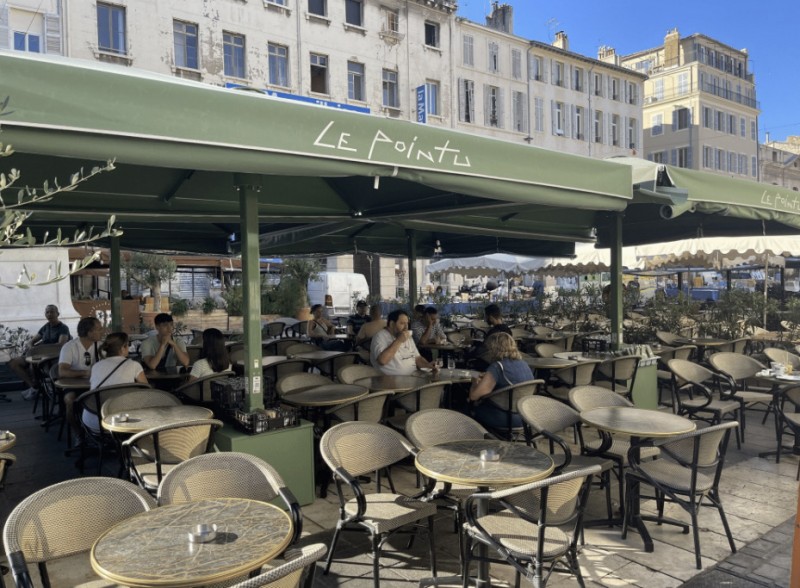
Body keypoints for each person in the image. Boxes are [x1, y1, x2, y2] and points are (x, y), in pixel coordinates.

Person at [468, 332, 534, 431]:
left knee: (466, 407)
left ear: (493, 348)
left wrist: (474, 383)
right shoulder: (524, 364)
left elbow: (474, 396)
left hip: (504, 417)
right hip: (525, 416)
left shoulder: (498, 367)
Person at [85, 332, 148, 432]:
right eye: (128, 345)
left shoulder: (96, 366)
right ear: (123, 348)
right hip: (122, 422)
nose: (129, 347)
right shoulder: (134, 365)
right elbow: (147, 391)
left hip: (95, 421)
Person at [10, 304, 71, 400]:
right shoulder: (45, 327)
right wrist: (32, 348)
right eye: (47, 312)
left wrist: (40, 347)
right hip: (38, 355)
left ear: (57, 314)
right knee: (14, 363)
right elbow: (31, 341)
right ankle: (35, 387)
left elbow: (61, 344)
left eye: (52, 312)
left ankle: (38, 389)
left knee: (32, 365)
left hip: (52, 358)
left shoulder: (63, 328)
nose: (49, 314)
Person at [59, 316, 105, 443]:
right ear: (89, 332)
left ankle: (103, 433)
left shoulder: (100, 346)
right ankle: (79, 434)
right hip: (73, 385)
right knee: (70, 401)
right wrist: (85, 373)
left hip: (95, 384)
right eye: (98, 329)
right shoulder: (70, 347)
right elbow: (62, 371)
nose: (102, 331)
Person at [370, 309, 438, 376]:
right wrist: (399, 340)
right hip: (390, 381)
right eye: (402, 323)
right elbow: (382, 361)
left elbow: (417, 358)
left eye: (407, 323)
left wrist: (428, 365)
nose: (406, 327)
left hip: (414, 377)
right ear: (392, 324)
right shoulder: (380, 336)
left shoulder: (407, 336)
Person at [466, 304, 512, 370]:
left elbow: (484, 349)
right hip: (505, 361)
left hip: (491, 363)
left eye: (486, 317)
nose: (485, 319)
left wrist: (470, 351)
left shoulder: (494, 332)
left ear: (490, 317)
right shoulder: (507, 330)